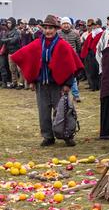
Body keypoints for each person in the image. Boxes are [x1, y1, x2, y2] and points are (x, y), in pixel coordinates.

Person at [10, 15, 84, 147]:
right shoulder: (37, 44)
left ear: (56, 29)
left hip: (58, 85)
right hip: (41, 85)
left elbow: (71, 65)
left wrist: (67, 84)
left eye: (51, 28)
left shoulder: (62, 45)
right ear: (43, 29)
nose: (48, 31)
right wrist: (31, 80)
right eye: (46, 28)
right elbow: (28, 60)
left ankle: (67, 135)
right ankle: (48, 136)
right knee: (43, 112)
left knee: (62, 110)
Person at [59, 17, 82, 102]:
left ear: (70, 25)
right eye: (64, 24)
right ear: (61, 25)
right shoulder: (58, 34)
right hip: (60, 59)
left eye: (67, 23)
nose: (66, 25)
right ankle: (62, 94)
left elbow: (79, 46)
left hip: (72, 58)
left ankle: (76, 95)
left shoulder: (75, 34)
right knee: (61, 76)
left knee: (73, 77)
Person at [81, 18, 103, 91]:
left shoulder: (102, 33)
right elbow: (86, 45)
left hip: (97, 53)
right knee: (90, 70)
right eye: (92, 25)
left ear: (99, 25)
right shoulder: (92, 34)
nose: (92, 26)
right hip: (90, 54)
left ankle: (97, 86)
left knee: (96, 71)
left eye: (94, 25)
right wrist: (84, 55)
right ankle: (92, 85)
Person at [1, 18, 23, 89]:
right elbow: (2, 40)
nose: (8, 24)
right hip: (10, 53)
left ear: (13, 23)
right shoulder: (7, 32)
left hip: (17, 52)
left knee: (19, 69)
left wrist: (8, 40)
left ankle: (21, 83)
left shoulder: (16, 32)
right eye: (7, 23)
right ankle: (14, 82)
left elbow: (14, 40)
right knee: (12, 69)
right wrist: (9, 39)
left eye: (10, 23)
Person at [0, 19, 11, 88]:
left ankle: (5, 82)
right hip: (3, 52)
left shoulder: (7, 32)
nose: (3, 26)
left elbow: (4, 43)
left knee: (3, 67)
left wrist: (2, 51)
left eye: (4, 24)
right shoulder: (2, 32)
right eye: (2, 24)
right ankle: (3, 81)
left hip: (4, 52)